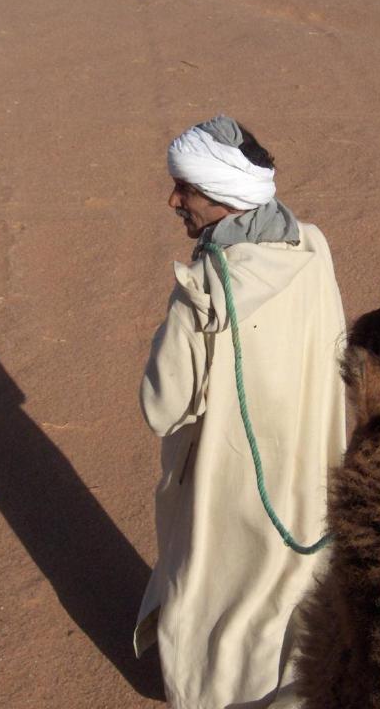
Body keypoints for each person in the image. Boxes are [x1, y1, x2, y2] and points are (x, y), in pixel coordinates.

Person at [135, 115, 347, 708]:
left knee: (217, 597)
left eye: (187, 188)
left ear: (224, 196)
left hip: (230, 482)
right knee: (290, 590)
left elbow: (161, 405)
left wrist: (180, 314)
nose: (173, 199)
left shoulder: (207, 287)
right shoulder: (311, 245)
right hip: (308, 471)